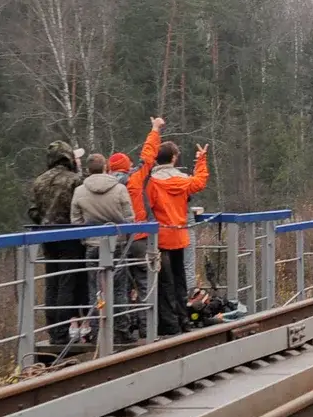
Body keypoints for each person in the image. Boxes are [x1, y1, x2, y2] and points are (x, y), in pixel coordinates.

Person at [70, 152, 136, 346]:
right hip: (117, 244)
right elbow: (129, 218)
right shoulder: (120, 189)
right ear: (106, 167)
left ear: (89, 169)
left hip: (92, 246)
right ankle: (122, 331)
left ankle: (97, 330)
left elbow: (76, 221)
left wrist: (86, 238)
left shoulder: (80, 191)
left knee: (94, 289)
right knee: (119, 289)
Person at [28, 140, 89, 343]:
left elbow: (33, 211)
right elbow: (81, 207)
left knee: (51, 282)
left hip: (46, 236)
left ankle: (54, 329)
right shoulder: (74, 180)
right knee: (67, 282)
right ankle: (63, 331)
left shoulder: (39, 181)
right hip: (70, 237)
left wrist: (45, 221)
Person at [147, 139, 209, 335]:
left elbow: (147, 206)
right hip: (179, 236)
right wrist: (201, 160)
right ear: (174, 158)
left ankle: (168, 323)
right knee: (179, 278)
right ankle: (183, 319)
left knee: (164, 282)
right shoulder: (182, 180)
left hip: (159, 237)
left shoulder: (152, 183)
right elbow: (199, 182)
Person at [111, 115, 165, 337]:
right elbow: (148, 157)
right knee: (145, 285)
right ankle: (147, 328)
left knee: (119, 287)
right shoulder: (134, 179)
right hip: (140, 237)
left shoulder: (105, 184)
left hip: (114, 242)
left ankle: (121, 331)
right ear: (126, 167)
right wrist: (154, 130)